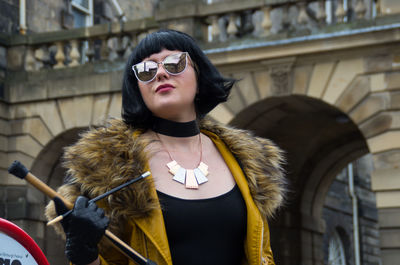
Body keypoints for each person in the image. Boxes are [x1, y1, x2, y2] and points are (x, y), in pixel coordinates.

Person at [45, 29, 287, 265]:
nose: (160, 73)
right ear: (137, 88)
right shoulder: (109, 170)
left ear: (199, 75)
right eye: (147, 70)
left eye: (174, 63)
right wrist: (84, 254)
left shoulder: (248, 163)